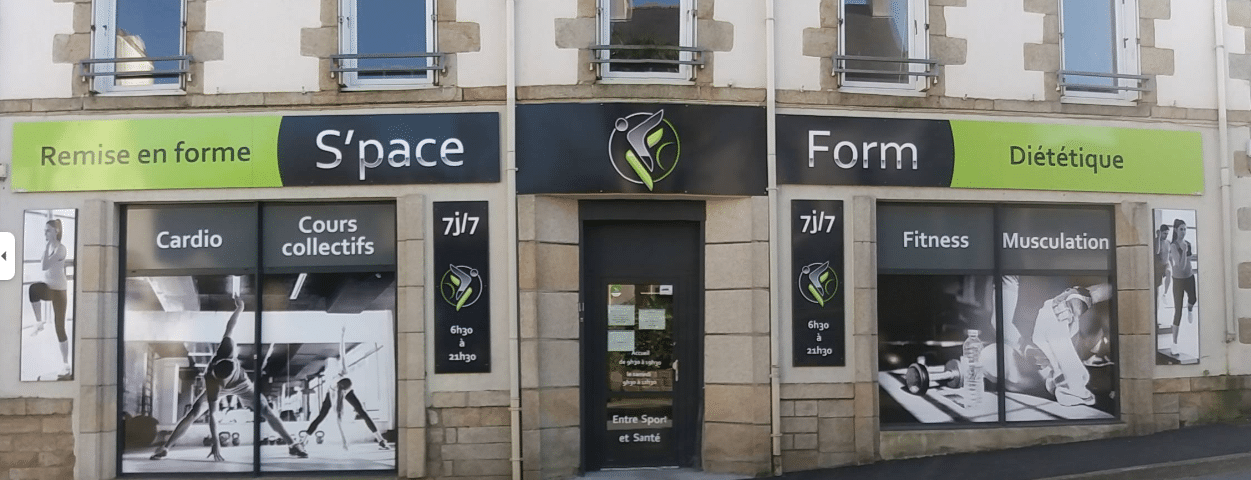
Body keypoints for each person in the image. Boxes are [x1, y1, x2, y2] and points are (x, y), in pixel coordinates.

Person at [150, 294, 307, 461]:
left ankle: (293, 445)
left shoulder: (227, 348)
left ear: (232, 365)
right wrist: (215, 442)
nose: (224, 383)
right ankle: (166, 448)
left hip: (243, 386)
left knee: (266, 410)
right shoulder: (213, 382)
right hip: (221, 386)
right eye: (221, 381)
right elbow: (213, 415)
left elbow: (230, 327)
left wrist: (239, 309)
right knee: (193, 413)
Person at [303, 326, 390, 451]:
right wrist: (344, 441)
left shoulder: (343, 371)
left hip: (343, 387)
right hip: (331, 393)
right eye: (344, 392)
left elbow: (342, 353)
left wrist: (342, 336)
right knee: (321, 416)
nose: (345, 394)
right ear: (342, 391)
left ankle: (381, 440)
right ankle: (303, 441)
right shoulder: (334, 394)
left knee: (363, 412)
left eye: (347, 391)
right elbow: (338, 420)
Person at [28, 219, 71, 379]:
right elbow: (43, 265)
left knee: (59, 327)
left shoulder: (61, 249)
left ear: (56, 232)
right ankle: (39, 323)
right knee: (33, 289)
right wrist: (46, 248)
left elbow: (45, 265)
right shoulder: (48, 247)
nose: (44, 233)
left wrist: (46, 248)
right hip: (48, 287)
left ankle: (65, 364)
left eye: (48, 230)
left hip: (59, 291)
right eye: (44, 230)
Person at [1167, 219, 1197, 351]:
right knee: (1177, 311)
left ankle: (1190, 309)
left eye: (1185, 229)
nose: (1183, 232)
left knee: (1193, 299)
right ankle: (1174, 342)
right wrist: (1184, 251)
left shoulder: (1188, 244)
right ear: (1175, 230)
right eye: (1181, 229)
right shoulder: (1173, 246)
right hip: (1178, 280)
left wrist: (1186, 250)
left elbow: (1188, 264)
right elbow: (1180, 265)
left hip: (1189, 277)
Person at [1154, 224, 1172, 311]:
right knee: (1156, 292)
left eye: (1167, 234)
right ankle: (1156, 313)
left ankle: (1165, 293)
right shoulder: (1156, 241)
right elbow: (1157, 251)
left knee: (1169, 272)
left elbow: (1170, 254)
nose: (1166, 235)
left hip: (1166, 264)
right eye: (1164, 233)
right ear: (1160, 232)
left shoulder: (1168, 242)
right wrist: (1158, 237)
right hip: (1158, 266)